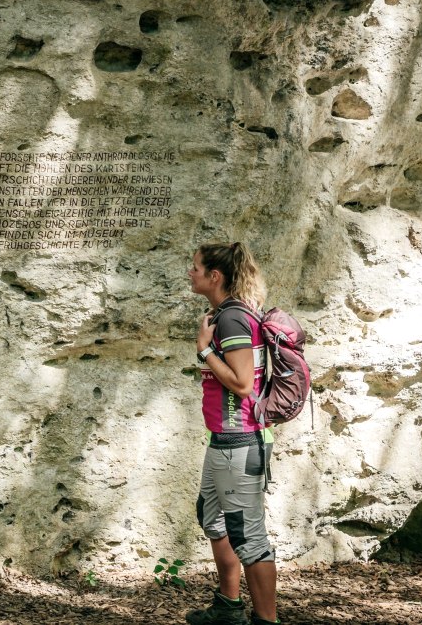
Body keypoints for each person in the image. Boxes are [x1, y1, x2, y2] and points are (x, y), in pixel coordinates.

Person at [185, 241, 280, 625]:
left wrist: (204, 351)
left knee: (249, 537)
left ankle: (266, 621)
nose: (189, 273)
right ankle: (228, 609)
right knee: (212, 517)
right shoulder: (223, 314)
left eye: (195, 267)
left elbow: (242, 384)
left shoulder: (233, 319)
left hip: (240, 443)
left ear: (215, 276)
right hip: (222, 440)